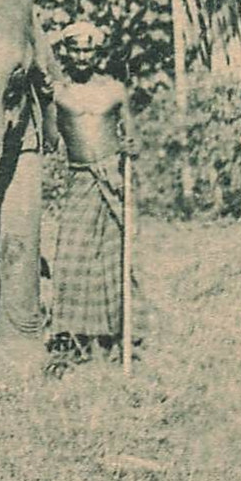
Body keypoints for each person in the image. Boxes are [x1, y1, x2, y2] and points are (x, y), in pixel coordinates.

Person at [49, 21, 148, 361]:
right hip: (79, 179)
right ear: (66, 52)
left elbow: (132, 137)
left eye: (88, 50)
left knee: (113, 256)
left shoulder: (115, 90)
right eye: (75, 50)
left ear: (97, 53)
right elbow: (49, 137)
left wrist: (132, 149)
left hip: (112, 178)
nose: (81, 56)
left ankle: (120, 335)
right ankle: (73, 339)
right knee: (72, 255)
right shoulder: (58, 93)